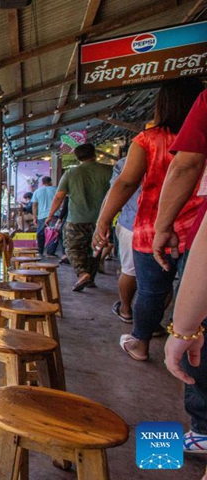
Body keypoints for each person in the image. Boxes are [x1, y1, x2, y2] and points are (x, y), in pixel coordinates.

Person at [94, 78, 204, 361]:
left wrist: (103, 220)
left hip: (152, 227)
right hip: (198, 229)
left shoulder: (148, 140)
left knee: (152, 289)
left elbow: (126, 183)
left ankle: (140, 342)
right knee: (196, 294)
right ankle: (191, 348)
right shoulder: (202, 135)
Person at [156, 86, 207, 454]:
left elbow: (186, 164)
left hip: (168, 233)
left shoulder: (145, 140)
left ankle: (202, 431)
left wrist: (185, 327)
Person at [46, 143, 112, 291]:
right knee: (95, 249)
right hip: (102, 219)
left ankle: (82, 273)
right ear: (94, 153)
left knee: (71, 247)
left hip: (76, 218)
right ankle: (90, 278)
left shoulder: (71, 173)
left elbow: (59, 197)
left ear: (77, 156)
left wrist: (50, 215)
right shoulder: (109, 171)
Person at [109, 157, 140, 322]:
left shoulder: (127, 162)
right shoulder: (186, 153)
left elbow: (117, 189)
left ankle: (126, 309)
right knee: (162, 279)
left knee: (129, 270)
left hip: (132, 223)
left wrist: (104, 220)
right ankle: (152, 322)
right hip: (178, 226)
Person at [31, 176, 58, 256]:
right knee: (54, 233)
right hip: (54, 214)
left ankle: (40, 251)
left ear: (42, 183)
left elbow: (34, 206)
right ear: (50, 182)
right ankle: (51, 252)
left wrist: (34, 217)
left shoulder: (37, 191)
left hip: (42, 215)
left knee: (40, 233)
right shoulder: (56, 189)